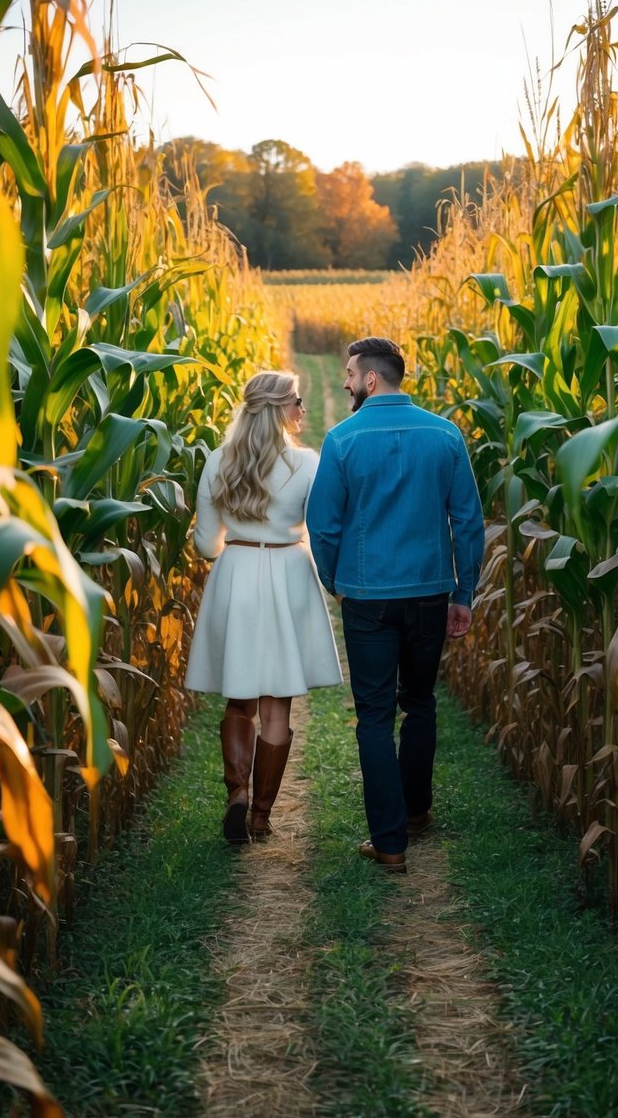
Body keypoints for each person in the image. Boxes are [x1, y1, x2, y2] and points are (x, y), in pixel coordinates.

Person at [306, 337, 485, 873]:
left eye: (349, 374)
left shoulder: (341, 440)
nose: (344, 382)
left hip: (368, 597)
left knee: (375, 718)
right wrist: (464, 592)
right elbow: (469, 522)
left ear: (372, 379)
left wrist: (337, 580)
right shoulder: (445, 434)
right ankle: (415, 812)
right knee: (422, 703)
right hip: (431, 592)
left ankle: (389, 842)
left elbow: (322, 525)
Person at [185, 370, 342, 846]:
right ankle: (260, 817)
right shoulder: (307, 464)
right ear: (279, 409)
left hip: (236, 573)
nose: (303, 409)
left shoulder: (217, 462)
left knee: (241, 698)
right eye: (297, 400)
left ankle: (237, 792)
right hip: (288, 571)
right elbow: (321, 527)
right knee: (278, 706)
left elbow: (206, 546)